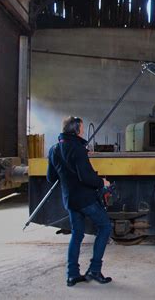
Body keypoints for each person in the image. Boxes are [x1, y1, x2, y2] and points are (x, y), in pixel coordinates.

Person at [47, 116, 113, 286]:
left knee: (77, 234)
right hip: (85, 199)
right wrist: (102, 182)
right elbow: (86, 177)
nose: (82, 131)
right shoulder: (78, 149)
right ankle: (95, 270)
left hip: (69, 199)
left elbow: (50, 177)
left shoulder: (54, 149)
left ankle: (72, 275)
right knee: (105, 226)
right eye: (81, 128)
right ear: (76, 130)